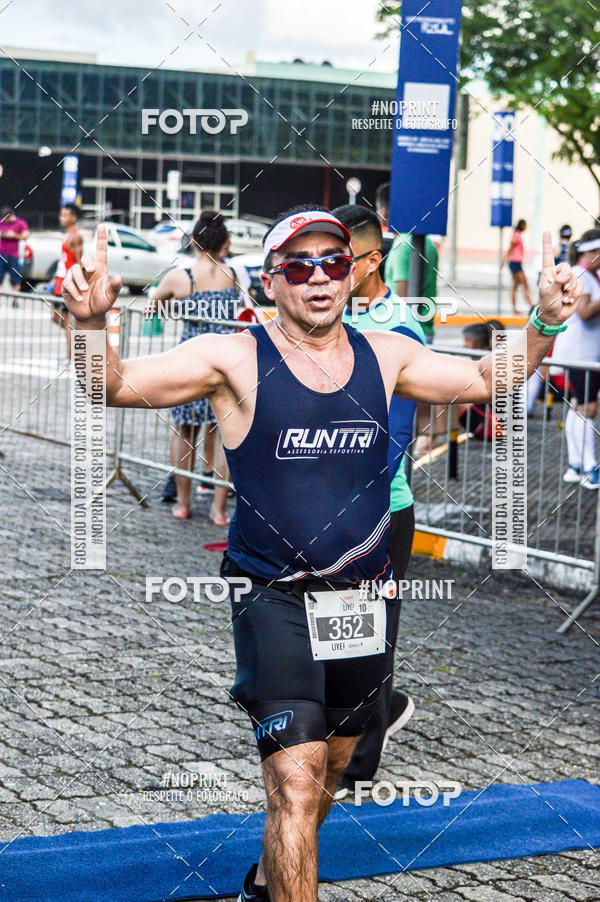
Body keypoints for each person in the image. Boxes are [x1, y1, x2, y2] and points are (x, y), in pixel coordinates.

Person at [63, 206, 580, 902]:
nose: (319, 279)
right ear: (272, 281)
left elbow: (487, 380)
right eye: (300, 267)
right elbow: (113, 386)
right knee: (297, 775)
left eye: (333, 263)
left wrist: (546, 322)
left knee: (330, 768)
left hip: (360, 603)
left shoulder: (386, 352)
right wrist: (93, 325)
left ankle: (266, 881)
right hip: (272, 595)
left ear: (352, 272)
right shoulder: (234, 357)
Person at [332, 203, 421, 800]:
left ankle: (361, 757)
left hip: (381, 504)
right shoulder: (331, 314)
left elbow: (399, 427)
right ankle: (377, 709)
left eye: (343, 260)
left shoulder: (398, 325)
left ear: (372, 260)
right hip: (327, 504)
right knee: (337, 627)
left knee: (371, 629)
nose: (329, 272)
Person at [150, 210, 242, 523]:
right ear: (222, 244)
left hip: (191, 364)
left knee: (185, 433)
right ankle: (218, 509)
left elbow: (154, 306)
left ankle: (184, 504)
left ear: (194, 241)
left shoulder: (182, 277)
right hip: (226, 366)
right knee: (225, 434)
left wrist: (177, 306)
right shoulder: (232, 275)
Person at [552, 228, 600, 488]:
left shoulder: (589, 274)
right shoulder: (581, 274)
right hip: (581, 355)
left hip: (585, 354)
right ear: (591, 253)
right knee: (587, 408)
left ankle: (576, 465)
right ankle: (590, 469)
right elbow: (585, 312)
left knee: (577, 406)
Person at [460, 320, 505, 440]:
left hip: (493, 425)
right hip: (498, 422)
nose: (463, 345)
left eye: (465, 341)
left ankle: (428, 442)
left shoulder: (484, 363)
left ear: (472, 342)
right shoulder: (491, 358)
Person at [53, 203, 83, 363]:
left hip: (68, 284)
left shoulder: (76, 236)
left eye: (65, 215)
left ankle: (70, 357)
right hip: (59, 282)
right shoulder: (67, 234)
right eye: (61, 215)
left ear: (74, 218)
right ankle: (77, 334)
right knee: (56, 318)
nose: (62, 218)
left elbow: (79, 262)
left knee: (67, 322)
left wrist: (78, 283)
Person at [503, 218, 531, 314]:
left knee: (516, 285)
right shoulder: (516, 235)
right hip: (514, 263)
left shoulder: (517, 235)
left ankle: (517, 308)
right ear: (522, 225)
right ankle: (530, 305)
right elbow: (510, 249)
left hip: (517, 263)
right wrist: (504, 261)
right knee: (524, 284)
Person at [0, 206, 30, 294]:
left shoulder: (20, 223)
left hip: (14, 256)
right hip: (2, 254)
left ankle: (15, 300)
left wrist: (15, 235)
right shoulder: (2, 222)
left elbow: (26, 236)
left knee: (15, 279)